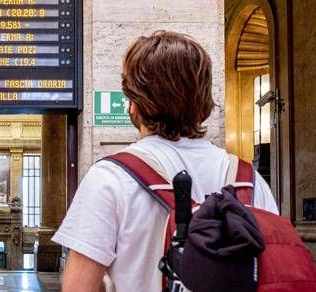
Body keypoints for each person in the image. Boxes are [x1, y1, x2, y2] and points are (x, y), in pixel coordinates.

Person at [53, 31, 279, 292]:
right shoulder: (248, 179)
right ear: (205, 102)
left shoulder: (110, 178)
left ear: (133, 104)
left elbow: (79, 287)